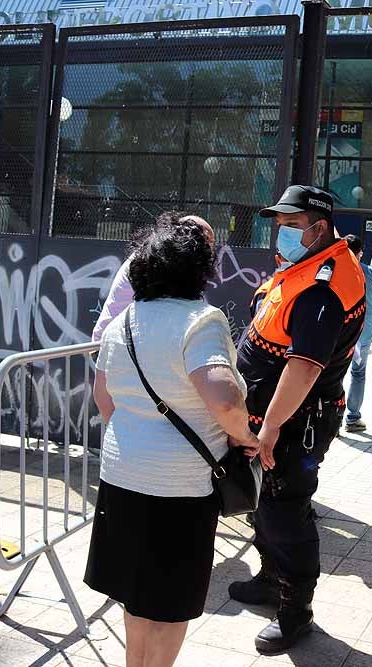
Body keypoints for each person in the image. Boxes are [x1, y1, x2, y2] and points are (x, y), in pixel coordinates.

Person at [85, 217, 259, 667]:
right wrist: (246, 436)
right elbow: (222, 397)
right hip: (180, 489)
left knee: (135, 597)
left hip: (121, 476)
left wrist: (136, 435)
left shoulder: (122, 322)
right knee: (169, 604)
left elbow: (104, 398)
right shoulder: (202, 320)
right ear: (198, 268)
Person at [229, 185, 365, 654]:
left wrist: (269, 427)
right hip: (270, 419)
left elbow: (304, 366)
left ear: (319, 228)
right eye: (279, 225)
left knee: (287, 510)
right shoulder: (301, 269)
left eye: (291, 225)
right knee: (264, 504)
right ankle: (271, 579)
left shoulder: (325, 287)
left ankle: (295, 610)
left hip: (295, 424)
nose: (280, 234)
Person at [92, 215, 215, 341]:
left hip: (131, 340)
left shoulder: (163, 257)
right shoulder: (156, 260)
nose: (211, 248)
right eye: (207, 240)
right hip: (113, 342)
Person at [343, 234, 372, 433]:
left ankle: (331, 419)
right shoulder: (369, 273)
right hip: (361, 334)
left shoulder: (331, 270)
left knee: (331, 374)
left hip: (335, 334)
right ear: (360, 253)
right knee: (357, 374)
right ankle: (352, 419)